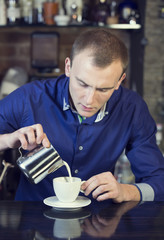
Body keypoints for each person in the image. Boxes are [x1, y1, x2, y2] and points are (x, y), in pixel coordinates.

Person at [0, 28, 164, 202]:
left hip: (98, 222)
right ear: (68, 67)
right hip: (32, 219)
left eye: (103, 89)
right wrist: (9, 140)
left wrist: (125, 191)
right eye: (82, 84)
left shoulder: (132, 108)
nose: (89, 100)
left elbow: (158, 183)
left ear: (119, 81)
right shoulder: (30, 98)